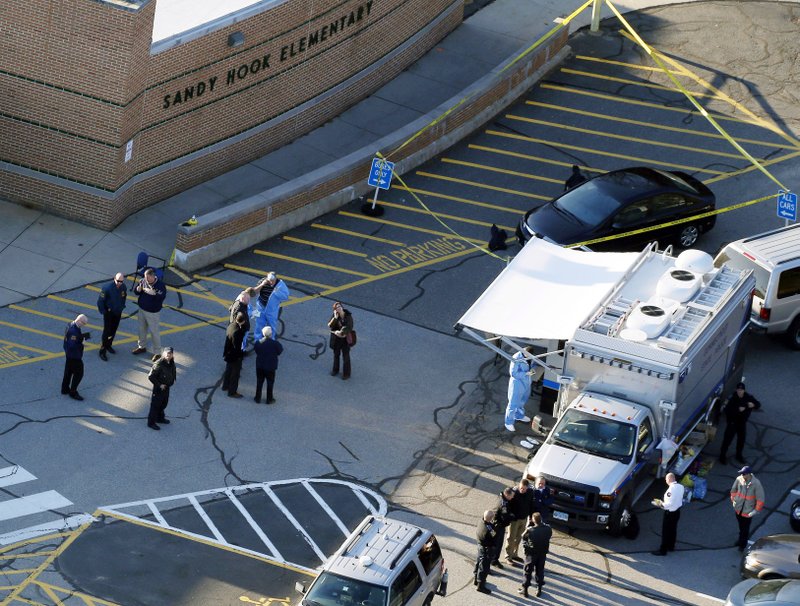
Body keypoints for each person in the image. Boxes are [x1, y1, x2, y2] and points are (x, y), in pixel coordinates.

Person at [719, 382, 761, 465]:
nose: (739, 391)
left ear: (744, 390)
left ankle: (739, 455)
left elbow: (758, 404)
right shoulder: (732, 398)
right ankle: (722, 456)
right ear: (736, 390)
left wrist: (753, 405)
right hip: (732, 422)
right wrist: (737, 410)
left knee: (741, 440)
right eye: (738, 390)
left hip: (742, 423)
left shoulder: (748, 397)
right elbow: (726, 410)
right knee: (727, 440)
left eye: (741, 390)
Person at [132, 268, 167, 355]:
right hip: (142, 310)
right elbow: (136, 292)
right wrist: (138, 289)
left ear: (153, 276)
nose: (146, 280)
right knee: (141, 330)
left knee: (154, 332)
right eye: (145, 277)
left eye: (148, 278)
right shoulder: (143, 281)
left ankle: (157, 352)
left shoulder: (160, 285)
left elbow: (161, 297)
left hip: (153, 313)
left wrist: (154, 294)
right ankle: (141, 347)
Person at [730, 465, 765, 551]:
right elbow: (733, 490)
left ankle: (742, 545)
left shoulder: (756, 484)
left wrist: (755, 511)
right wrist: (733, 500)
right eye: (741, 473)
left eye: (744, 474)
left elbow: (760, 499)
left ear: (749, 474)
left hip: (748, 511)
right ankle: (740, 540)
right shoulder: (739, 479)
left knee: (745, 529)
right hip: (738, 509)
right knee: (741, 527)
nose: (742, 475)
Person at [520, 512, 553, 598]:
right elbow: (549, 535)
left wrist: (527, 528)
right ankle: (539, 588)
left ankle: (525, 589)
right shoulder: (548, 529)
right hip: (542, 553)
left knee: (527, 571)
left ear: (533, 520)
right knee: (540, 570)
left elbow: (523, 537)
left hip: (531, 554)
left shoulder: (530, 530)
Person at [651, 472, 684, 556]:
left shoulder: (670, 490)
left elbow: (668, 504)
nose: (665, 480)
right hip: (677, 512)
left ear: (669, 479)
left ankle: (663, 550)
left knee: (666, 531)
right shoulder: (681, 487)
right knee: (673, 530)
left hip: (670, 513)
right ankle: (671, 546)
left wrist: (659, 504)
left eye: (666, 479)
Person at [97, 272, 127, 361]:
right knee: (107, 331)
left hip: (117, 312)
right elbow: (100, 301)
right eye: (118, 281)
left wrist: (121, 307)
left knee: (113, 330)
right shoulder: (107, 288)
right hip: (109, 312)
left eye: (121, 281)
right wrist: (103, 311)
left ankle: (109, 345)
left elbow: (123, 297)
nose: (119, 283)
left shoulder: (123, 287)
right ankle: (102, 350)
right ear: (114, 278)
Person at [147, 346, 176, 430]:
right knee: (155, 405)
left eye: (170, 353)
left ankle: (160, 418)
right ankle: (151, 422)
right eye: (167, 353)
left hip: (167, 387)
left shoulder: (171, 362)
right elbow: (151, 376)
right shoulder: (158, 364)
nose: (169, 355)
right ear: (163, 354)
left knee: (164, 403)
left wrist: (172, 380)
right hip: (159, 388)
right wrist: (159, 385)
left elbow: (172, 371)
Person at [505, 478, 533, 565]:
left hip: (524, 519)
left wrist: (531, 517)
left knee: (519, 538)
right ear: (519, 485)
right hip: (514, 520)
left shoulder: (530, 492)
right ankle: (508, 556)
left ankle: (514, 554)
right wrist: (511, 516)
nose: (522, 490)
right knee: (511, 538)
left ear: (527, 488)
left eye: (524, 489)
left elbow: (531, 505)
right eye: (521, 488)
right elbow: (507, 506)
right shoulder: (514, 493)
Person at [505, 347, 533, 432]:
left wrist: (532, 370)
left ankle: (518, 416)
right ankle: (508, 422)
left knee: (522, 401)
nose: (528, 356)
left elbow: (532, 364)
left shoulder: (530, 356)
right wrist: (526, 373)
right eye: (526, 355)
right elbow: (513, 373)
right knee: (513, 404)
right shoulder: (516, 358)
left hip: (526, 382)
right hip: (517, 384)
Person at [62, 314, 89, 401]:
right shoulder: (74, 331)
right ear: (79, 320)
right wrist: (82, 344)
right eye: (83, 323)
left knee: (68, 371)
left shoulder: (70, 324)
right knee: (79, 373)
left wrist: (80, 338)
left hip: (68, 354)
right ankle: (73, 392)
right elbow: (72, 345)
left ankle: (65, 388)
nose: (83, 325)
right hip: (74, 355)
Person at [254, 272, 289, 340]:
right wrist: (262, 285)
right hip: (260, 307)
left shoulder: (280, 284)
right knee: (259, 324)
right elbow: (254, 292)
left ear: (276, 278)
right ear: (267, 278)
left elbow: (285, 296)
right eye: (269, 281)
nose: (271, 283)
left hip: (272, 309)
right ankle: (257, 340)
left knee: (272, 325)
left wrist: (276, 291)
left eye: (273, 281)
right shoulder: (262, 281)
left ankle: (271, 340)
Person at [254, 326, 283, 404]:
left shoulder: (258, 343)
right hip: (270, 367)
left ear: (263, 334)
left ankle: (257, 398)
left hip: (260, 366)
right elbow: (280, 351)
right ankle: (269, 399)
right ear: (271, 334)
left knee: (259, 382)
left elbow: (256, 350)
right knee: (270, 383)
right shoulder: (275, 344)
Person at [222, 312, 247, 398]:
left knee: (228, 370)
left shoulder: (231, 325)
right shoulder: (238, 333)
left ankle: (225, 385)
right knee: (235, 374)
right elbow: (237, 347)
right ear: (243, 321)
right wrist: (240, 357)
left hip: (228, 353)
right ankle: (232, 392)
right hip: (234, 356)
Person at [490, 487, 516, 568]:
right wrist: (512, 516)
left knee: (496, 544)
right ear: (507, 495)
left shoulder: (502, 498)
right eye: (511, 496)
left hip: (497, 525)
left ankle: (493, 559)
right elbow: (505, 517)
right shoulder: (503, 504)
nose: (512, 497)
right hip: (498, 526)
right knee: (497, 544)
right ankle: (493, 560)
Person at [328, 301, 354, 380]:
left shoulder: (348, 316)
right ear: (335, 310)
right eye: (336, 308)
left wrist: (341, 332)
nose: (338, 308)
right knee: (336, 355)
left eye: (339, 306)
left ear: (342, 307)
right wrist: (335, 318)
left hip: (345, 339)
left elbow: (349, 326)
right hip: (337, 339)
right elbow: (330, 325)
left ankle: (346, 374)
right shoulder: (335, 316)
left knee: (346, 356)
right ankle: (335, 370)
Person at [474, 510, 496, 595]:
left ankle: (476, 579)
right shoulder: (488, 529)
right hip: (486, 548)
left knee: (478, 562)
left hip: (480, 545)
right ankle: (481, 585)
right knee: (484, 567)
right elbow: (493, 537)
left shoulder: (481, 521)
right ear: (490, 519)